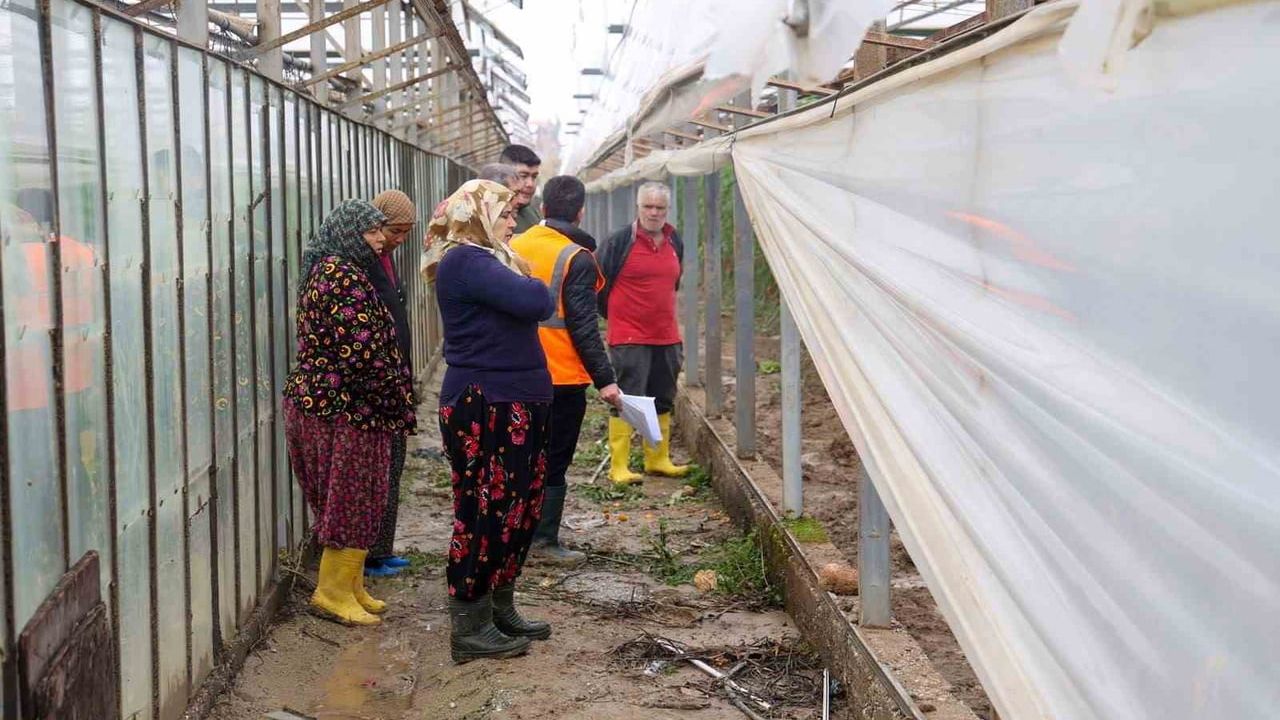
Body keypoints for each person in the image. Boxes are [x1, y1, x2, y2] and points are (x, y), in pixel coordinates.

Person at [422, 179, 554, 663]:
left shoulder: (489, 260)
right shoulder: (467, 260)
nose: (513, 222)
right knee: (486, 509)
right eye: (504, 214)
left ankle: (500, 605)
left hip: (512, 400)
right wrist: (532, 282)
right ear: (477, 216)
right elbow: (537, 301)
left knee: (518, 508)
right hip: (487, 403)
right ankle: (470, 624)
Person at [282, 199, 416, 626]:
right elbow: (362, 353)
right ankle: (332, 591)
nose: (380, 239)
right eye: (371, 231)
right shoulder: (338, 275)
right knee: (351, 497)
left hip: (342, 404)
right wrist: (393, 397)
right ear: (346, 234)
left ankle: (352, 584)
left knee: (356, 496)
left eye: (381, 230)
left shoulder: (337, 270)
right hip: (346, 407)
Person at [510, 176, 621, 565]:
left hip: (515, 370)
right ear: (580, 211)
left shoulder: (513, 245)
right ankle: (542, 541)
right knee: (554, 460)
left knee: (517, 455)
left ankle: (513, 535)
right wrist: (605, 380)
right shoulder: (577, 258)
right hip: (561, 378)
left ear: (541, 210)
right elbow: (584, 326)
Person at [598, 181, 690, 485]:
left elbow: (673, 283)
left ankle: (657, 459)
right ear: (638, 208)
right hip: (629, 336)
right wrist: (615, 318)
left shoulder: (674, 239)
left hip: (666, 335)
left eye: (660, 207)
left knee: (663, 396)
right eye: (648, 207)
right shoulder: (619, 241)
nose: (653, 213)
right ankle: (619, 465)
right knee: (627, 398)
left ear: (667, 210)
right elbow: (599, 283)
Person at [363, 189, 417, 578]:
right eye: (395, 231)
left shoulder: (386, 260)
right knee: (377, 469)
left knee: (393, 465)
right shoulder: (363, 263)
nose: (398, 239)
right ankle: (367, 556)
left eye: (405, 233)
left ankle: (382, 549)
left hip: (395, 376)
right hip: (377, 381)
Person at [499, 145, 542, 234]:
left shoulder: (534, 212)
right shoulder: (490, 216)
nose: (530, 184)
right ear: (503, 176)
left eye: (534, 177)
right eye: (523, 176)